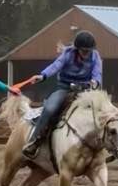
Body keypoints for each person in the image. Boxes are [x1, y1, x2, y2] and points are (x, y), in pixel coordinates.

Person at [23, 30, 102, 159]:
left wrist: (95, 82)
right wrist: (43, 76)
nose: (86, 54)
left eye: (88, 51)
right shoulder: (68, 53)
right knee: (49, 109)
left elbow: (97, 73)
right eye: (84, 51)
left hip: (85, 91)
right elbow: (56, 66)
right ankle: (33, 142)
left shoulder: (95, 56)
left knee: (102, 112)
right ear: (77, 49)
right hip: (64, 88)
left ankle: (108, 145)